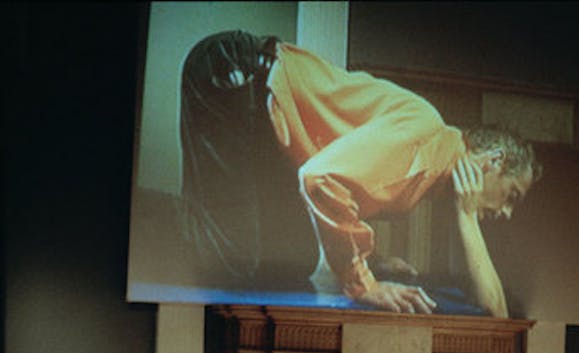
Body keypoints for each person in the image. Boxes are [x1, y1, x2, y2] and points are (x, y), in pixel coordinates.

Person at [180, 30, 541, 317]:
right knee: (232, 263)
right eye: (512, 195)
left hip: (266, 116)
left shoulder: (429, 168)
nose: (506, 212)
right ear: (492, 161)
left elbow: (343, 189)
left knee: (294, 262)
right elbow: (320, 178)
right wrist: (365, 284)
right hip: (235, 73)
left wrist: (373, 260)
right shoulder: (426, 138)